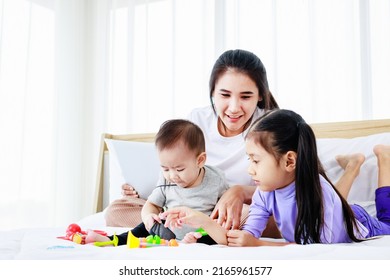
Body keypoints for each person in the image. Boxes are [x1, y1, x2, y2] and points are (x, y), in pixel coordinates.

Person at [114, 49, 360, 235]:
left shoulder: (269, 127)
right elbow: (177, 167)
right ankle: (187, 224)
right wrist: (145, 190)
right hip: (193, 203)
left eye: (245, 96)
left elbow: (297, 188)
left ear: (260, 95)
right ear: (212, 93)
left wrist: (240, 192)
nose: (233, 108)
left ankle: (352, 167)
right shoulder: (196, 120)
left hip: (243, 210)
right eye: (224, 95)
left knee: (291, 218)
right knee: (117, 210)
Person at [160, 109, 390, 246]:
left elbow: (313, 247)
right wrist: (201, 221)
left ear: (289, 161)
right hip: (341, 211)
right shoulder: (264, 193)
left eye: (256, 160)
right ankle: (354, 164)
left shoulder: (321, 194)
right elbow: (243, 238)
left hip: (362, 223)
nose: (250, 170)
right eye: (249, 160)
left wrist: (258, 244)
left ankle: (384, 159)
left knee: (387, 220)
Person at [88, 119, 229, 245]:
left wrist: (210, 227)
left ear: (200, 160)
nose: (172, 175)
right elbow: (152, 204)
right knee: (142, 227)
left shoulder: (216, 179)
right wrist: (149, 217)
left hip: (201, 231)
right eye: (165, 168)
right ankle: (113, 240)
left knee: (218, 231)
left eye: (179, 169)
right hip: (168, 230)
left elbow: (226, 213)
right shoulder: (165, 180)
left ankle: (195, 241)